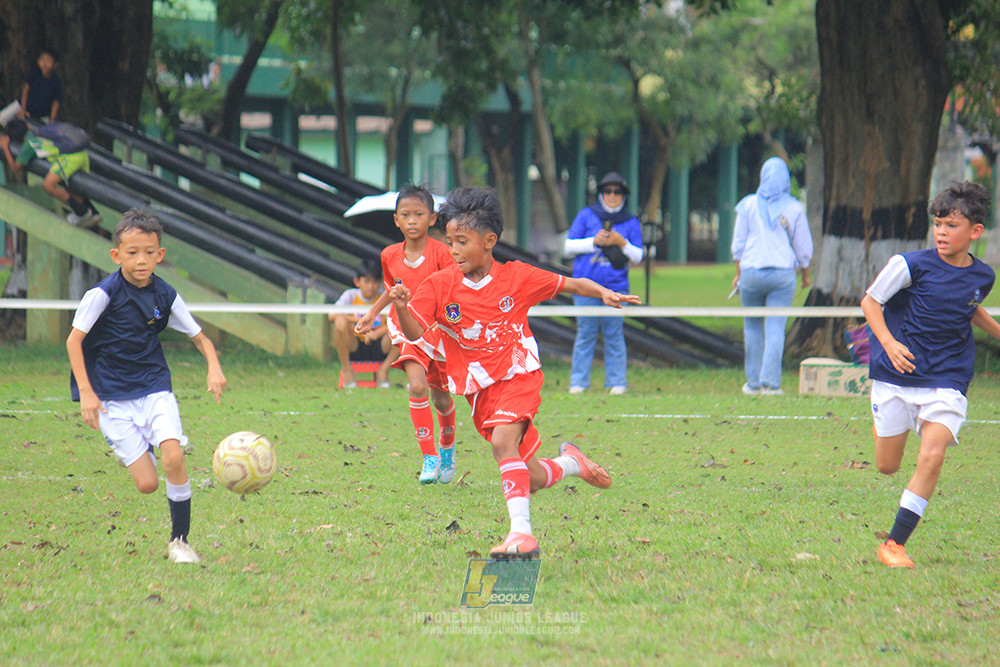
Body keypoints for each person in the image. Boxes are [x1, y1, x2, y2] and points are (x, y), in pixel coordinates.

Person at [389, 186, 641, 559]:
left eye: (462, 241)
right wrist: (404, 309)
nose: (453, 250)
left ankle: (521, 535)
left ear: (489, 241)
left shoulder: (517, 277)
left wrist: (604, 292)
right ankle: (573, 463)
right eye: (450, 242)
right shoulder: (440, 285)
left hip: (519, 373)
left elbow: (568, 283)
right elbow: (414, 334)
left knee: (502, 443)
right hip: (479, 390)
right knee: (532, 475)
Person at [65, 208, 227, 564]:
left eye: (149, 252)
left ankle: (179, 542)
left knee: (175, 457)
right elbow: (73, 342)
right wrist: (87, 393)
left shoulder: (165, 294)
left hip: (155, 387)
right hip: (110, 398)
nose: (141, 260)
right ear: (116, 255)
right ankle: (145, 448)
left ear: (160, 255)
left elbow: (201, 338)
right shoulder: (102, 294)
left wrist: (213, 368)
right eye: (132, 252)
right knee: (147, 484)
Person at [861, 181, 999, 568]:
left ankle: (894, 543)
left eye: (951, 225)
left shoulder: (983, 276)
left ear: (974, 232)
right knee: (887, 466)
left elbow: (968, 308)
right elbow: (870, 302)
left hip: (947, 378)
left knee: (932, 456)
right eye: (938, 224)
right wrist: (888, 343)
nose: (941, 232)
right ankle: (887, 423)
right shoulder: (909, 265)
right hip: (895, 375)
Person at [354, 184, 459, 485]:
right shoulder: (389, 255)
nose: (412, 220)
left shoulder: (443, 254)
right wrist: (372, 314)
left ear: (432, 219)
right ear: (396, 220)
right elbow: (392, 288)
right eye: (405, 215)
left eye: (419, 214)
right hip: (407, 328)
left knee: (441, 399)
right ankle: (429, 457)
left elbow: (452, 290)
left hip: (437, 331)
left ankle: (448, 448)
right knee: (416, 386)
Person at [731, 156, 812, 395]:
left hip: (751, 273)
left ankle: (752, 383)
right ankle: (770, 383)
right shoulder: (794, 207)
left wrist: (738, 274)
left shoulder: (747, 204)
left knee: (752, 327)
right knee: (775, 328)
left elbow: (739, 243)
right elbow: (803, 246)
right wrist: (805, 274)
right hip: (782, 274)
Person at [564, 171, 643, 395]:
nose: (612, 196)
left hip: (617, 287)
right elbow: (569, 246)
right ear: (601, 193)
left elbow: (638, 256)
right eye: (607, 191)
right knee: (585, 333)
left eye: (617, 192)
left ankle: (617, 383)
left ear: (623, 195)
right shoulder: (586, 215)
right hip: (585, 287)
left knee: (614, 333)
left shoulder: (630, 221)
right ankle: (578, 383)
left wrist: (621, 242)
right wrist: (593, 242)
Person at [0, 118, 101, 227]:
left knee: (48, 186)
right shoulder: (38, 132)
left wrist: (5, 148)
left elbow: (15, 168)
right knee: (71, 189)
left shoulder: (29, 144)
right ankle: (93, 213)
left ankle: (82, 213)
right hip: (81, 154)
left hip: (69, 158)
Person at [329, 258, 399, 388]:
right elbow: (332, 315)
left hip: (380, 344)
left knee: (403, 324)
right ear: (357, 282)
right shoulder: (350, 296)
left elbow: (395, 320)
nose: (371, 287)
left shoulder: (383, 298)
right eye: (366, 282)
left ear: (380, 283)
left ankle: (384, 370)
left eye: (375, 282)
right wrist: (360, 322)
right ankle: (346, 370)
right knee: (339, 321)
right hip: (354, 344)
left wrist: (376, 334)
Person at [0, 48, 63, 127]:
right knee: (2, 118)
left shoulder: (56, 82)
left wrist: (52, 119)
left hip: (41, 114)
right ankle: (12, 130)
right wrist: (23, 110)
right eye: (42, 59)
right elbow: (25, 91)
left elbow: (56, 102)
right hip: (22, 105)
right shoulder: (34, 73)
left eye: (48, 61)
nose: (44, 63)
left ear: (55, 64)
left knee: (42, 131)